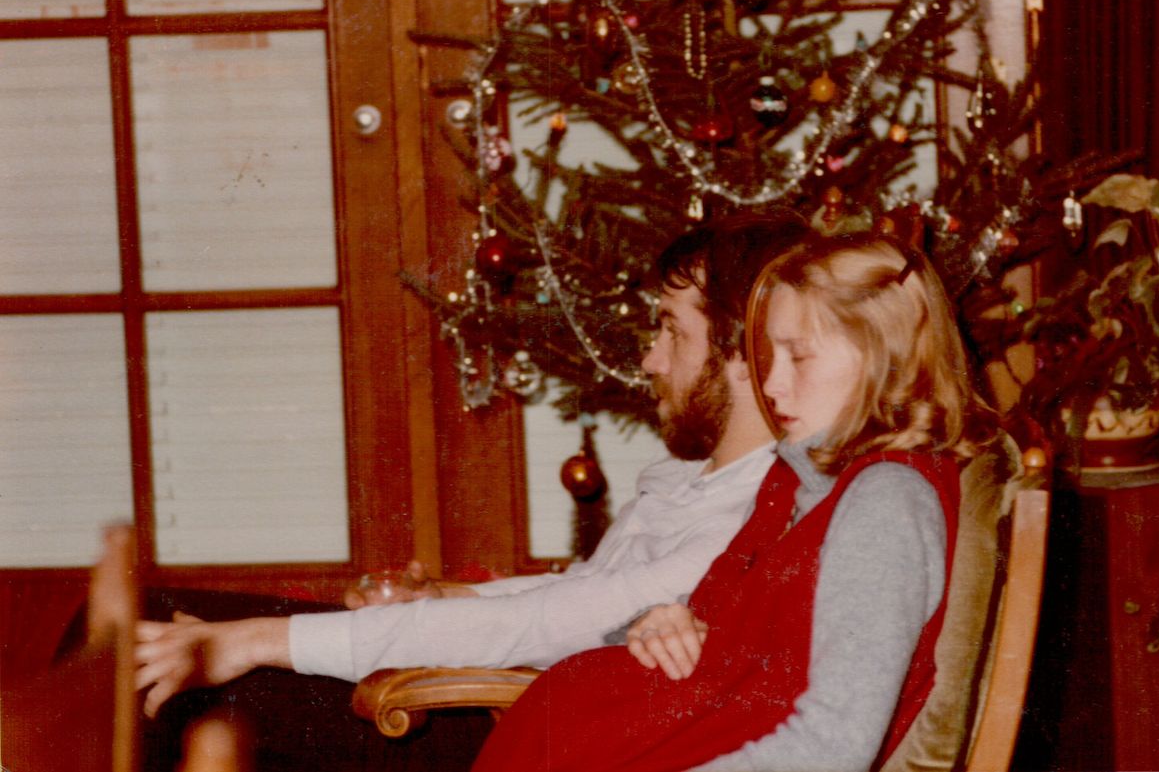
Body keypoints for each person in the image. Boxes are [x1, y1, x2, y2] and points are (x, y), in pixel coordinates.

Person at [131, 209, 809, 769]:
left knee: (163, 682)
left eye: (670, 329)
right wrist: (446, 595)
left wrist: (247, 642)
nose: (650, 357)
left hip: (504, 736)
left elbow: (543, 626)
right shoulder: (699, 484)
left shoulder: (747, 519)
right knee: (152, 611)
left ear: (743, 352)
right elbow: (574, 594)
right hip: (505, 703)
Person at [472, 231, 999, 772]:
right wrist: (655, 624)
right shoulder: (808, 486)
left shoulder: (888, 502)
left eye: (799, 356)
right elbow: (732, 641)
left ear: (882, 357)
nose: (771, 383)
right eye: (771, 354)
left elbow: (831, 745)